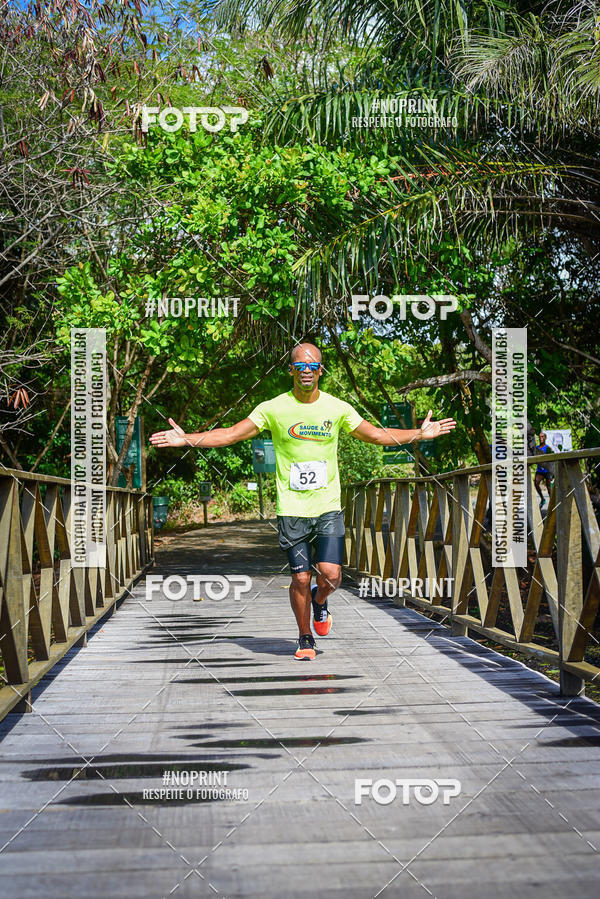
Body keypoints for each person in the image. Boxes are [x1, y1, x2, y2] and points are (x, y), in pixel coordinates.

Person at [150, 343, 456, 660]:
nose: (306, 371)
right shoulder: (273, 408)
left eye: (312, 366)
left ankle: (320, 600)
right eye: (300, 366)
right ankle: (305, 636)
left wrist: (418, 434)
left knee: (331, 575)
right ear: (291, 371)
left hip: (327, 507)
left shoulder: (337, 408)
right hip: (292, 510)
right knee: (299, 576)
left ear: (321, 370)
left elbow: (376, 435)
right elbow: (231, 434)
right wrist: (187, 438)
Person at [534, 430, 553, 507]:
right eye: (540, 437)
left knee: (548, 486)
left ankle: (552, 502)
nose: (541, 438)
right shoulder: (537, 448)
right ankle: (542, 499)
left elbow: (552, 459)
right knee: (536, 483)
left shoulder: (548, 448)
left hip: (547, 470)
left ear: (545, 438)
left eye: (542, 437)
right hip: (540, 470)